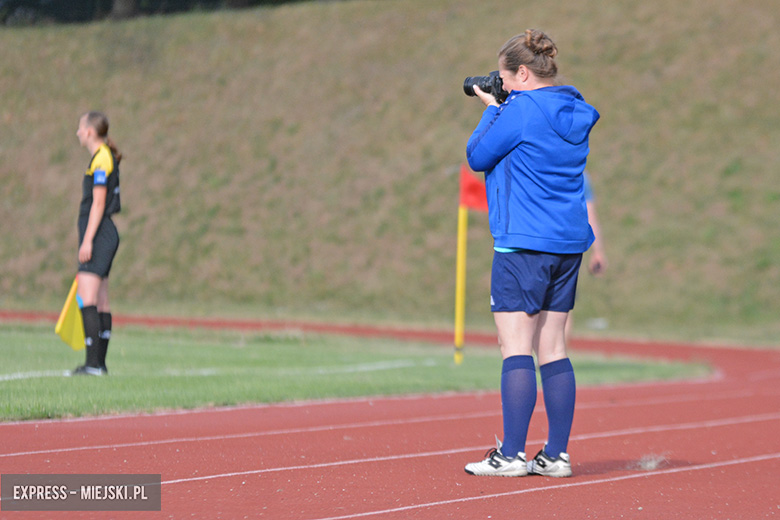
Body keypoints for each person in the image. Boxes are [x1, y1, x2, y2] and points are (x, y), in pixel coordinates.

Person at [463, 29, 599, 478]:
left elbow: (477, 156)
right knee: (554, 347)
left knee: (515, 346)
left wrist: (492, 111)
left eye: (504, 77)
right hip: (567, 243)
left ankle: (511, 455)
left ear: (522, 73)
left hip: (522, 242)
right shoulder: (575, 109)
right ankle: (556, 454)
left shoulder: (518, 110)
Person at [71, 111, 122, 376]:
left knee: (87, 296)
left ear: (90, 131)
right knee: (100, 299)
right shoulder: (102, 156)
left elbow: (99, 203)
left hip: (100, 233)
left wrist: (87, 240)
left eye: (81, 127)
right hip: (104, 233)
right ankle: (99, 365)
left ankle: (92, 363)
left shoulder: (101, 158)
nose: (78, 132)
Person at [564, 170, 608, 342]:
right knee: (561, 309)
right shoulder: (578, 171)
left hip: (537, 245)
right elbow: (589, 214)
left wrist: (598, 251)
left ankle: (544, 358)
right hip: (567, 248)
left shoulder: (536, 161)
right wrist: (598, 252)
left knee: (545, 308)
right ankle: (554, 359)